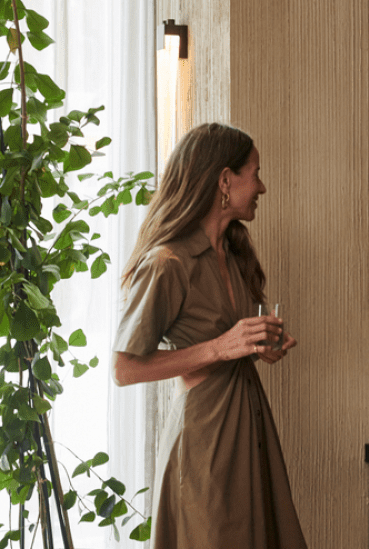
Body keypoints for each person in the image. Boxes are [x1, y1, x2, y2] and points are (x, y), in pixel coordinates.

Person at [111, 123, 307, 548]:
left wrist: (257, 347)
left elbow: (227, 345)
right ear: (224, 180)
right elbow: (124, 369)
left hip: (252, 432)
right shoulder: (167, 263)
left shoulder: (232, 251)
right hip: (206, 444)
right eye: (254, 173)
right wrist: (222, 346)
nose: (262, 186)